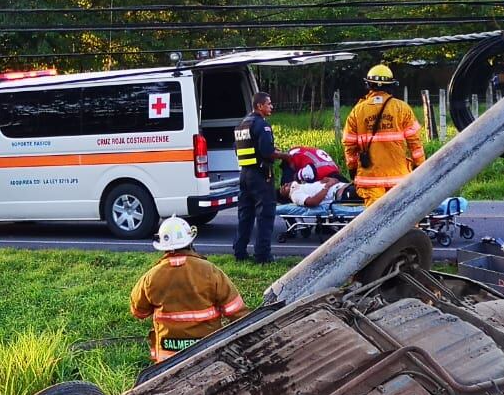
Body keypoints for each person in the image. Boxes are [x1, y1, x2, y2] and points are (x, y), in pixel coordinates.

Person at [131, 216, 248, 362]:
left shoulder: (151, 277)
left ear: (163, 246)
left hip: (167, 362)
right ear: (190, 241)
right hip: (209, 354)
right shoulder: (210, 271)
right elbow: (236, 311)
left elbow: (138, 312)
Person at [342, 64, 426, 205]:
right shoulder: (402, 108)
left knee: (377, 223)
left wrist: (352, 169)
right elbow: (415, 143)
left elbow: (349, 145)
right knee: (404, 216)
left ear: (369, 85)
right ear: (391, 85)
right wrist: (420, 165)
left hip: (370, 179)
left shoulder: (358, 111)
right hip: (399, 178)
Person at [233, 91, 285, 263]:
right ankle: (262, 255)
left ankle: (240, 252)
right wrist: (285, 156)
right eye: (268, 104)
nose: (271, 106)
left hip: (244, 174)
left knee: (245, 215)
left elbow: (238, 149)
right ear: (259, 106)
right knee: (265, 214)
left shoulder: (242, 124)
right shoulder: (262, 125)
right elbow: (267, 152)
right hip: (261, 175)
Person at [280, 176, 354, 208]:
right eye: (284, 188)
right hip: (341, 193)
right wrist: (327, 186)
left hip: (345, 186)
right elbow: (312, 202)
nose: (286, 184)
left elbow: (335, 180)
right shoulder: (295, 195)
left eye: (284, 184)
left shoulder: (305, 186)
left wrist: (330, 181)